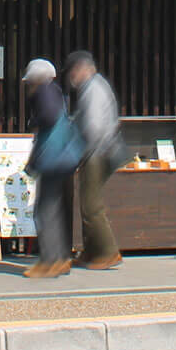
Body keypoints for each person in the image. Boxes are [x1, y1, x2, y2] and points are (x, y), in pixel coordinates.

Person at [65, 50, 123, 269]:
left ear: (82, 68)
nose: (71, 77)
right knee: (87, 203)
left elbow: (94, 126)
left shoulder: (93, 89)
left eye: (73, 71)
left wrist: (80, 148)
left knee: (91, 205)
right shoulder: (94, 86)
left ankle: (108, 253)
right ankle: (91, 253)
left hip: (97, 152)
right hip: (101, 150)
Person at [22, 58, 72, 278]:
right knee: (51, 210)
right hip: (62, 157)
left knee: (44, 211)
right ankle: (59, 259)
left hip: (52, 158)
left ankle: (51, 261)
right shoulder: (57, 91)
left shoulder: (44, 92)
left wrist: (33, 121)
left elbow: (48, 117)